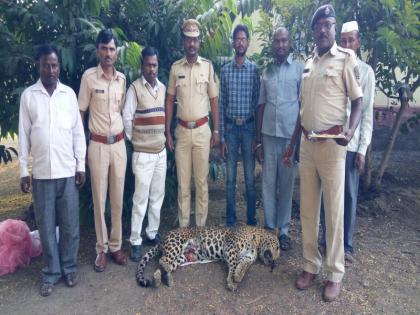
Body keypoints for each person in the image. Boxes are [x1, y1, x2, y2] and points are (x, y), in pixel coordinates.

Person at [286, 5, 363, 302]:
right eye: (319, 26)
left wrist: (351, 131)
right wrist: (293, 144)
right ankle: (310, 265)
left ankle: (334, 273)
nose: (323, 30)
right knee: (307, 210)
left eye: (328, 25)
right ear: (314, 31)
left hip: (333, 146)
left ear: (334, 29)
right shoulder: (308, 63)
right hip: (307, 146)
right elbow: (302, 110)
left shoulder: (345, 60)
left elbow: (357, 102)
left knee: (333, 212)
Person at [19, 44, 86, 296]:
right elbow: (24, 137)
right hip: (42, 175)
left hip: (68, 171)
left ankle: (69, 268)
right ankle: (51, 272)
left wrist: (80, 165)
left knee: (70, 226)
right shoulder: (29, 96)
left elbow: (78, 133)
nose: (50, 69)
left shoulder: (68, 95)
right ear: (39, 66)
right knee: (46, 227)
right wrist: (24, 171)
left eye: (54, 65)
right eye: (46, 64)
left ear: (59, 67)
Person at [319, 21, 375, 264]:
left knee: (349, 197)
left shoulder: (365, 72)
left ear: (359, 42)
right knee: (327, 194)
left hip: (350, 148)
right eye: (343, 40)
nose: (347, 45)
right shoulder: (334, 65)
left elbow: (366, 114)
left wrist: (362, 149)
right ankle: (326, 239)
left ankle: (347, 245)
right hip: (330, 143)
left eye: (351, 40)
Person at [78, 29, 127, 272]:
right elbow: (80, 114)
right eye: (104, 48)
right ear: (98, 50)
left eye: (112, 49)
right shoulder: (89, 78)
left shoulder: (122, 80)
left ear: (116, 52)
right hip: (96, 144)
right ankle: (102, 249)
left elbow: (122, 111)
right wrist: (81, 148)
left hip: (118, 144)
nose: (108, 53)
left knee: (117, 199)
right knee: (99, 198)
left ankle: (116, 245)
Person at [165, 19, 220, 228]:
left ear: (199, 42)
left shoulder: (207, 67)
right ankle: (184, 229)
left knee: (201, 183)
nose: (191, 44)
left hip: (202, 132)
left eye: (195, 40)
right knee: (183, 184)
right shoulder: (175, 68)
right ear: (183, 41)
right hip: (181, 131)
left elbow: (214, 99)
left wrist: (216, 130)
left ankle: (200, 230)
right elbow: (169, 100)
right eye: (188, 39)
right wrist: (167, 132)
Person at [255, 27, 303, 250]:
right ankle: (270, 228)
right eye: (277, 41)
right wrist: (258, 141)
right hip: (268, 137)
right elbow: (261, 106)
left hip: (288, 139)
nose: (281, 45)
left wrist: (297, 143)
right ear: (273, 44)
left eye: (284, 40)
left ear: (289, 42)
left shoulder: (299, 71)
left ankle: (283, 231)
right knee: (267, 183)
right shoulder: (267, 71)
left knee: (286, 185)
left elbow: (303, 108)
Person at [122, 47, 167, 262]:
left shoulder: (163, 88)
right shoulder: (134, 89)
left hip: (160, 153)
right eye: (148, 64)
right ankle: (135, 240)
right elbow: (126, 119)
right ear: (142, 66)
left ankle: (151, 233)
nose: (151, 68)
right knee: (140, 199)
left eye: (154, 64)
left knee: (157, 197)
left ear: (158, 66)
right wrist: (137, 141)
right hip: (142, 154)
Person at [219, 24, 260, 227]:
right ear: (233, 43)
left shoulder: (254, 71)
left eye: (244, 39)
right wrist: (222, 137)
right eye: (237, 39)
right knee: (230, 180)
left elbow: (256, 102)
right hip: (231, 130)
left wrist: (256, 137)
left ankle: (251, 222)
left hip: (248, 130)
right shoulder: (225, 71)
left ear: (248, 43)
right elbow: (221, 104)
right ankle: (230, 221)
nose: (241, 42)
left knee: (250, 180)